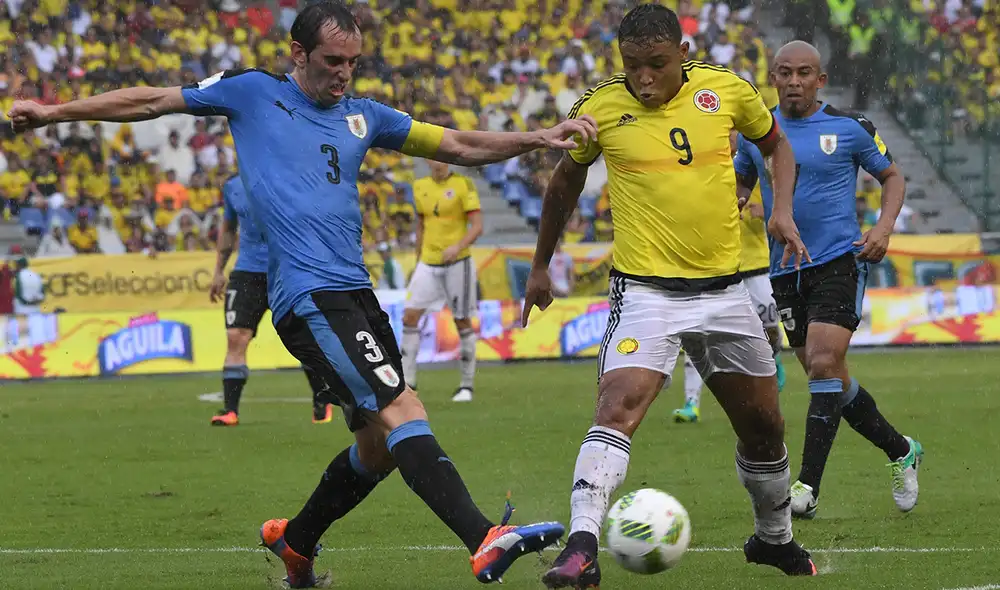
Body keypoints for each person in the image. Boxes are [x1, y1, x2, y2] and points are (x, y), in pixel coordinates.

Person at [8, 2, 596, 586]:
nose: (344, 73)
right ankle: (484, 539)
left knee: (377, 446)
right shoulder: (251, 93)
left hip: (354, 294)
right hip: (311, 297)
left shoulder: (365, 116)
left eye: (353, 62)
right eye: (332, 60)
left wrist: (540, 137)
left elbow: (460, 146)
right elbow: (151, 100)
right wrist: (55, 112)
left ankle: (297, 542)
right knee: (403, 410)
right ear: (298, 54)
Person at [520, 6, 816, 587]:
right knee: (618, 406)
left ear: (683, 52)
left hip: (726, 292)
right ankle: (581, 547)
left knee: (765, 426)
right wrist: (539, 264)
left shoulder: (727, 91)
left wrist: (780, 210)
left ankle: (773, 540)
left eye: (656, 64)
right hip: (645, 293)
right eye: (632, 67)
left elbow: (777, 147)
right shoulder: (600, 108)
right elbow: (563, 183)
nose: (644, 79)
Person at [733, 40, 922, 520]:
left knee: (822, 362)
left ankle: (806, 488)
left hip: (840, 258)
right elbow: (737, 187)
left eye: (804, 74)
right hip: (785, 271)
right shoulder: (757, 135)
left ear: (820, 80)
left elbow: (893, 178)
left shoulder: (849, 127)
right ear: (772, 78)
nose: (793, 81)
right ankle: (902, 450)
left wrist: (881, 229)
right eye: (784, 73)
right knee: (829, 379)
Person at [673, 131, 788, 424]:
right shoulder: (706, 169)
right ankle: (691, 403)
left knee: (770, 326)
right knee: (696, 332)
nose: (726, 138)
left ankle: (773, 358)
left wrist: (764, 211)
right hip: (720, 267)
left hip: (758, 264)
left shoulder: (753, 166)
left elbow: (780, 207)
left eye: (730, 133)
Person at [207, 173, 334, 427]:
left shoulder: (288, 176)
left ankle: (321, 399)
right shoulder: (233, 186)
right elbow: (229, 228)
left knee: (304, 340)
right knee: (235, 337)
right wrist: (219, 270)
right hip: (247, 273)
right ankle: (230, 410)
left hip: (287, 271)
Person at [401, 160, 482, 402]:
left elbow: (477, 226)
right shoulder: (419, 186)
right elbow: (422, 225)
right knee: (410, 316)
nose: (437, 161)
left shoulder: (463, 184)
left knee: (462, 320)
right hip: (427, 262)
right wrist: (417, 261)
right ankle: (408, 382)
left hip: (458, 263)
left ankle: (466, 385)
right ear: (427, 160)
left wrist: (457, 247)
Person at [12, 250, 45, 316]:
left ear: (18, 265)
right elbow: (42, 293)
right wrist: (34, 302)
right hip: (36, 309)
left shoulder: (19, 276)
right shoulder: (36, 275)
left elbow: (18, 294)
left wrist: (28, 302)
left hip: (22, 310)